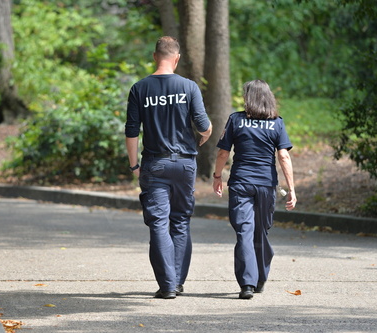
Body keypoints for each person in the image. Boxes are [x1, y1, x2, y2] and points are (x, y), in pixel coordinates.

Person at [125, 36, 212, 299]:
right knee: (181, 221)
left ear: (155, 56)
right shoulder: (189, 87)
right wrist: (203, 137)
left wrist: (134, 166)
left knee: (159, 224)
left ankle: (167, 285)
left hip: (154, 164)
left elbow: (131, 132)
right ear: (176, 58)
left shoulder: (139, 88)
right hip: (185, 164)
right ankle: (177, 282)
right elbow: (204, 125)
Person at [212, 79, 297, 300]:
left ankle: (248, 282)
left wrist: (217, 176)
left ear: (248, 98)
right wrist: (292, 189)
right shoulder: (276, 122)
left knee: (244, 231)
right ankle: (257, 279)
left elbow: (223, 153)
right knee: (261, 231)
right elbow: (284, 156)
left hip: (241, 183)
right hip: (266, 185)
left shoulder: (236, 120)